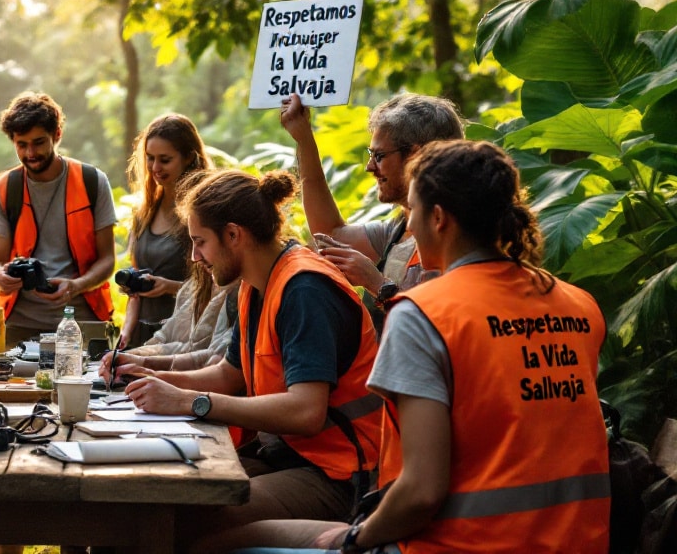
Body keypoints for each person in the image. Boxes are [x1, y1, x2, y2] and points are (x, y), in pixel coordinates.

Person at [230, 141, 610, 553]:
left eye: (410, 212)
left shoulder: (424, 314)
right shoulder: (578, 304)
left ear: (439, 218)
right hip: (578, 541)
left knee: (222, 542)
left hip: (457, 543)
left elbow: (421, 492)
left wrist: (356, 535)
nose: (407, 227)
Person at [119, 169, 381, 551]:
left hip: (338, 477)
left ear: (233, 235)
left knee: (173, 524)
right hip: (286, 457)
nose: (195, 257)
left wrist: (190, 401)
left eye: (199, 242)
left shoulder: (305, 290)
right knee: (139, 505)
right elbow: (229, 375)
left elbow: (306, 411)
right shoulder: (256, 283)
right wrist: (148, 376)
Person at [279, 92, 463, 313]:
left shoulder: (460, 235)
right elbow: (331, 234)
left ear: (416, 157)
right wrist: (304, 138)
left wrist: (377, 284)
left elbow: (445, 322)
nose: (369, 167)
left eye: (379, 156)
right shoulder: (399, 231)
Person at [0, 92, 117, 347]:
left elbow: (108, 259)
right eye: (21, 145)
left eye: (38, 142)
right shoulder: (2, 189)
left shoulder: (92, 181)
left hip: (83, 322)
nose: (30, 153)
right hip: (20, 324)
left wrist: (76, 286)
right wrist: (0, 277)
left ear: (57, 135)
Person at [118, 114, 212, 348]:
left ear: (189, 157)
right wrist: (125, 335)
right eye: (150, 158)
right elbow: (136, 293)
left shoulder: (205, 210)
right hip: (142, 338)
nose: (155, 168)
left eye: (165, 159)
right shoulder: (144, 212)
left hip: (185, 339)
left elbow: (221, 288)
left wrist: (171, 287)